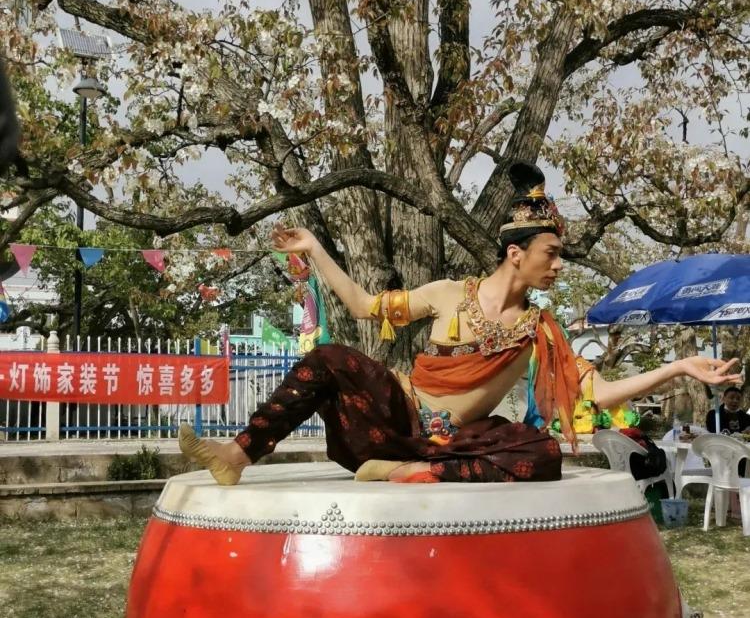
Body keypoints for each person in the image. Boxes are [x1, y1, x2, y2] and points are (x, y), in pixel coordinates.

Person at [179, 162, 741, 485]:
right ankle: (237, 456)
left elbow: (596, 392)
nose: (558, 265)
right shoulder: (449, 293)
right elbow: (364, 307)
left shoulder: (539, 330)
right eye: (551, 253)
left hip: (448, 443)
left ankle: (397, 473)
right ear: (516, 253)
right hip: (395, 415)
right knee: (328, 358)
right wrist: (315, 248)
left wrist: (679, 367)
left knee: (542, 452)